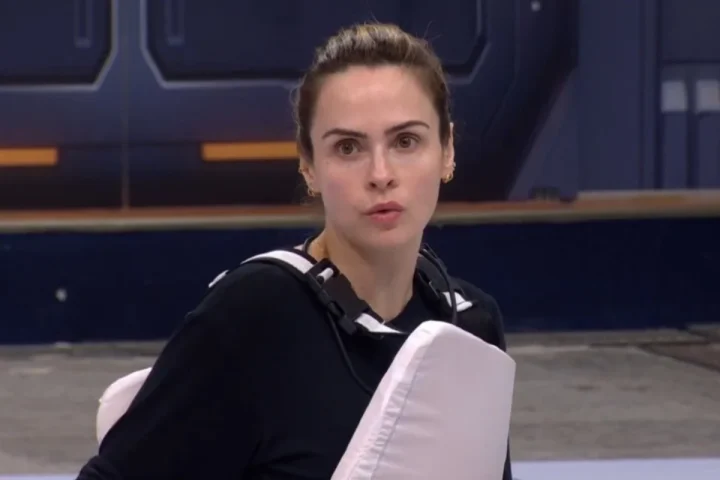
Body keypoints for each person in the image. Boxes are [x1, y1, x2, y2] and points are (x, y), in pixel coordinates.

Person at [75, 22, 513, 480]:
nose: (381, 174)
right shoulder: (256, 314)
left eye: (406, 141)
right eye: (348, 147)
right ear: (309, 167)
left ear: (447, 150)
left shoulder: (471, 324)